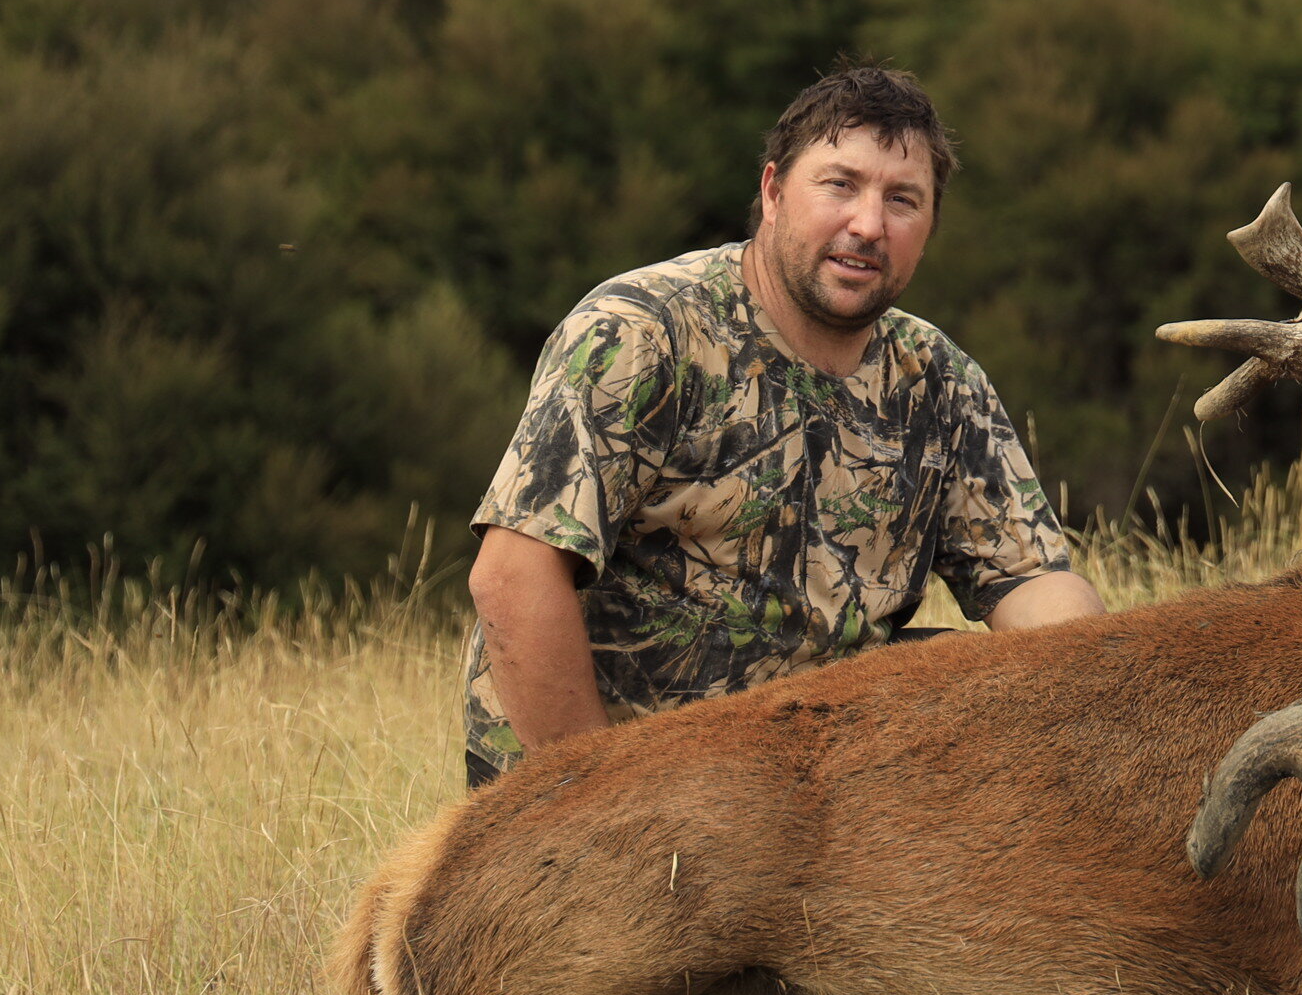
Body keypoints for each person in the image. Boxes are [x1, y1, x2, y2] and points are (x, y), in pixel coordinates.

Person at [461, 66, 1105, 787]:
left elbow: (1032, 582)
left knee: (977, 684)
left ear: (928, 230)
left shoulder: (940, 380)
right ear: (772, 193)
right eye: (840, 185)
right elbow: (513, 576)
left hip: (813, 800)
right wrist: (586, 800)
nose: (868, 225)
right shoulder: (641, 334)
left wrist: (1116, 695)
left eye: (902, 200)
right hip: (620, 788)